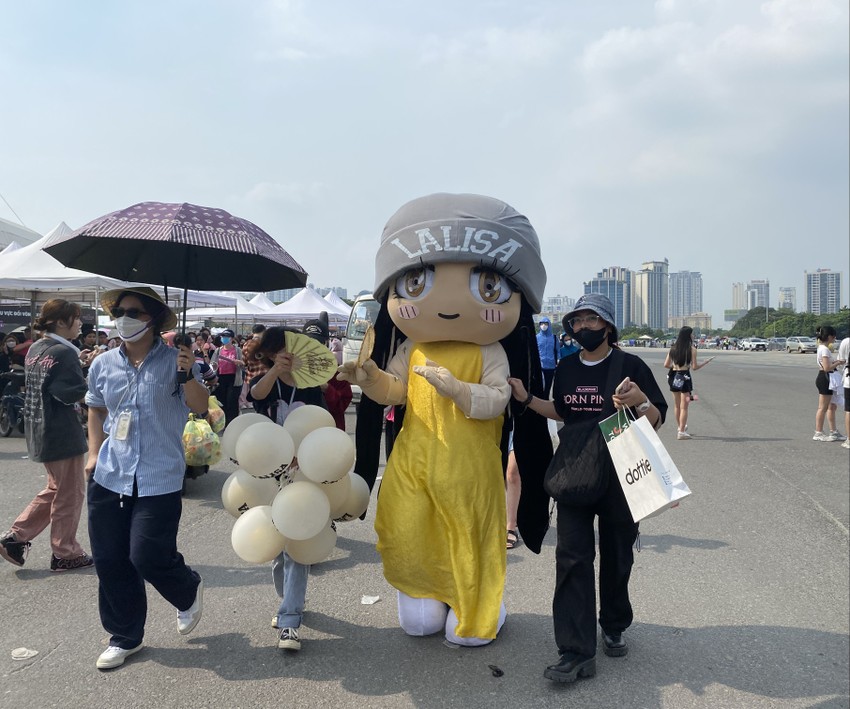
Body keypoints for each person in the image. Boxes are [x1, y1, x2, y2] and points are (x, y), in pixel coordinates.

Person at [340, 193, 552, 647]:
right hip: (414, 464)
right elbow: (395, 390)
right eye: (416, 283)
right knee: (412, 533)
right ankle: (425, 595)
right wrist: (369, 377)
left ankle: (477, 605)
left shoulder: (488, 350)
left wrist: (456, 388)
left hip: (469, 468)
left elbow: (497, 400)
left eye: (488, 287)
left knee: (468, 540)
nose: (450, 304)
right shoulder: (412, 348)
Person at [508, 293, 667, 684]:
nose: (582, 328)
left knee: (617, 554)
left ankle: (613, 622)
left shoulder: (630, 366)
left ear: (608, 326)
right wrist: (528, 398)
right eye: (576, 322)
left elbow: (657, 418)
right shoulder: (565, 367)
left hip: (620, 473)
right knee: (572, 558)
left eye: (590, 321)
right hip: (576, 472)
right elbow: (562, 411)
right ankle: (575, 651)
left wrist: (640, 400)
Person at [85, 287, 209, 670]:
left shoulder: (178, 361)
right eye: (118, 311)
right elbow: (95, 407)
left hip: (159, 476)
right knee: (110, 560)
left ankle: (186, 588)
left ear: (152, 320)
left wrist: (187, 373)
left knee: (147, 555)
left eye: (132, 312)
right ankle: (125, 636)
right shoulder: (103, 363)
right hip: (110, 473)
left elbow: (200, 406)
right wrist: (92, 453)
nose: (122, 317)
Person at [248, 324, 328, 652]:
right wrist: (274, 372)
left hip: (302, 472)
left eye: (293, 348)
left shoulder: (311, 387)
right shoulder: (262, 380)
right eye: (280, 350)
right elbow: (256, 396)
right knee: (277, 547)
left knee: (297, 544)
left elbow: (320, 423)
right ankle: (288, 602)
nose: (288, 355)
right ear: (269, 353)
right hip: (267, 475)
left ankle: (290, 619)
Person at [0, 300, 94, 572]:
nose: (79, 324)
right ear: (61, 322)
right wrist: (89, 369)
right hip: (61, 432)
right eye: (75, 319)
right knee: (70, 494)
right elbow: (71, 392)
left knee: (57, 490)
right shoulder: (64, 353)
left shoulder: (36, 348)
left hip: (40, 429)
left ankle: (16, 537)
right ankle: (65, 552)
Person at [663, 326, 714, 440]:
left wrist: (675, 367)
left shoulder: (673, 348)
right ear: (688, 336)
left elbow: (666, 364)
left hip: (674, 377)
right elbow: (695, 367)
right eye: (691, 334)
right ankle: (681, 432)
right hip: (685, 377)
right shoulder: (692, 349)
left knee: (677, 405)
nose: (693, 336)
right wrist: (705, 362)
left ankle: (680, 427)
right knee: (684, 406)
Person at [813, 325, 846, 442]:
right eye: (834, 336)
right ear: (830, 336)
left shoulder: (821, 348)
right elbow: (827, 367)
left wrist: (836, 362)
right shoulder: (825, 349)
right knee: (823, 407)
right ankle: (818, 432)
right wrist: (838, 363)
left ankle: (833, 432)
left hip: (825, 378)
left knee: (832, 406)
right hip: (826, 378)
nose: (835, 338)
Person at [210, 328, 243, 425]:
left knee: (231, 401)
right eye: (222, 337)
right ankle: (222, 423)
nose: (224, 339)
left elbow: (244, 365)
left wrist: (240, 363)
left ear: (232, 338)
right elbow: (213, 364)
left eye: (226, 337)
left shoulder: (237, 350)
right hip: (221, 378)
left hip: (233, 378)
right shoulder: (218, 350)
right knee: (221, 400)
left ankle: (232, 423)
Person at [536, 316, 559, 398]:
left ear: (549, 325)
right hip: (539, 366)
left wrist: (559, 360)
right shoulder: (537, 337)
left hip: (551, 366)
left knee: (548, 386)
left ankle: (545, 402)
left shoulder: (554, 338)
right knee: (539, 386)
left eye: (546, 324)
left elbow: (557, 350)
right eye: (542, 324)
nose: (543, 326)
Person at [838, 336, 850, 449]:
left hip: (848, 380)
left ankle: (849, 439)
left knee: (849, 410)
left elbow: (841, 360)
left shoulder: (846, 342)